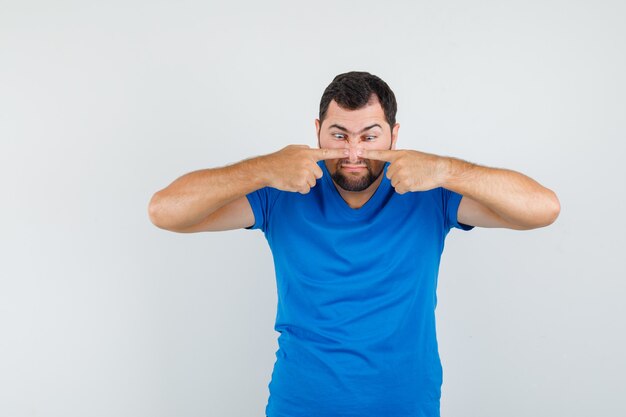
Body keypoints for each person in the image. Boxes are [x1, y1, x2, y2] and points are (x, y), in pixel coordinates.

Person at [148, 71, 560, 417]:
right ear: (316, 132)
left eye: (370, 135)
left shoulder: (431, 193)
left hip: (406, 405)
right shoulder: (281, 191)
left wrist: (447, 169)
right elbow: (165, 211)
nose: (353, 152)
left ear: (395, 136)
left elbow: (543, 209)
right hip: (300, 404)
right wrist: (263, 168)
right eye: (339, 135)